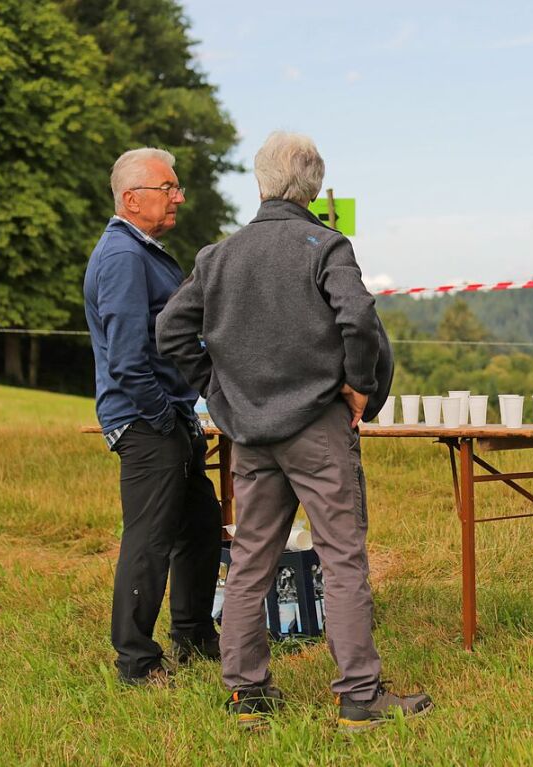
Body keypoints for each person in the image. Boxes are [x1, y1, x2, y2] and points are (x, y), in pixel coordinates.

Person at [156, 131, 432, 731]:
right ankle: (360, 696)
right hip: (317, 427)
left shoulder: (219, 255)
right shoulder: (325, 244)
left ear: (261, 182)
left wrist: (217, 389)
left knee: (251, 561)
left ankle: (247, 694)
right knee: (342, 559)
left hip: (250, 433)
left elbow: (171, 331)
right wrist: (359, 382)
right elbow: (358, 316)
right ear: (310, 185)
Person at [83, 147, 223, 685]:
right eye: (169, 188)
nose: (179, 197)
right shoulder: (122, 256)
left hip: (166, 416)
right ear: (132, 198)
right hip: (146, 421)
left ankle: (193, 635)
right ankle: (137, 663)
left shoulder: (141, 250)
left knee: (200, 525)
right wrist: (164, 418)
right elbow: (125, 357)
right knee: (150, 539)